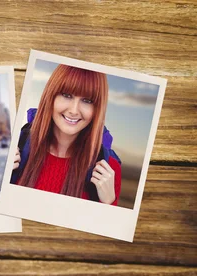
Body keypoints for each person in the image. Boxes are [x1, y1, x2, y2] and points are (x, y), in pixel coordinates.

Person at [11, 64, 121, 205]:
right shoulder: (16, 147)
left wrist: (108, 203)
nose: (74, 110)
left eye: (87, 101)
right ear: (51, 97)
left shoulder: (108, 170)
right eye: (67, 95)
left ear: (97, 108)